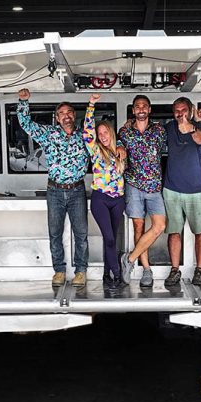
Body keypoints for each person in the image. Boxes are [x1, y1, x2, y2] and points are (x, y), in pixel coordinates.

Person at [17, 88, 89, 287]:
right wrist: (23, 102)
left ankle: (81, 271)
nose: (66, 116)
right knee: (55, 233)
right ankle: (59, 271)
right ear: (57, 118)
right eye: (62, 113)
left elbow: (106, 138)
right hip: (55, 190)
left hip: (77, 190)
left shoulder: (85, 135)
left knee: (81, 233)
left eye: (69, 112)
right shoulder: (48, 134)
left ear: (74, 115)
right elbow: (26, 124)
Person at [117, 95, 166, 288]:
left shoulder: (159, 130)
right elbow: (116, 143)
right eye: (137, 106)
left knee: (159, 226)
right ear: (133, 110)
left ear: (150, 109)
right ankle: (146, 270)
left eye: (144, 106)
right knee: (139, 228)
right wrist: (119, 146)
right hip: (133, 185)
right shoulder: (125, 132)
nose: (141, 109)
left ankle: (129, 259)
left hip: (154, 186)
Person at [163, 97, 201, 287]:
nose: (180, 113)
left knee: (200, 231)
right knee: (174, 232)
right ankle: (175, 270)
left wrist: (191, 126)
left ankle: (200, 269)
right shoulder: (168, 127)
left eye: (183, 110)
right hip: (171, 189)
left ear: (190, 111)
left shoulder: (199, 126)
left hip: (195, 190)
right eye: (176, 110)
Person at [83, 93, 127, 288]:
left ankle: (106, 275)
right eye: (99, 134)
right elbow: (87, 132)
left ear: (111, 133)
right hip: (100, 199)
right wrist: (91, 105)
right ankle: (117, 275)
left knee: (112, 239)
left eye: (105, 132)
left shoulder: (120, 151)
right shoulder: (95, 150)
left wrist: (121, 146)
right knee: (109, 238)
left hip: (118, 200)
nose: (102, 136)